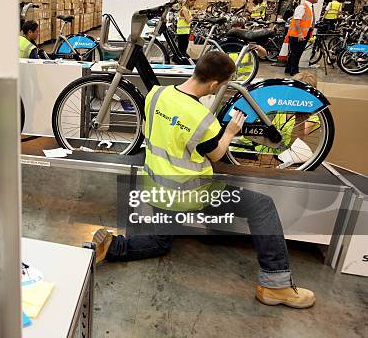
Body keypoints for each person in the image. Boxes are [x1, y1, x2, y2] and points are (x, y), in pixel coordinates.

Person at [92, 51, 316, 309]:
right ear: (213, 85)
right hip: (190, 192)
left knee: (160, 242)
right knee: (262, 205)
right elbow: (218, 155)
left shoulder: (156, 94)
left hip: (156, 187)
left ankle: (111, 246)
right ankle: (276, 286)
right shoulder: (201, 119)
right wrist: (230, 132)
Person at [285, 0, 319, 76]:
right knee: (296, 53)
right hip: (297, 34)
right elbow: (297, 21)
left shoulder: (309, 7)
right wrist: (300, 34)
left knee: (295, 52)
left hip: (305, 33)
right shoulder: (302, 7)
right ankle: (294, 71)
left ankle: (288, 69)